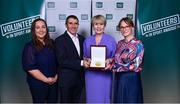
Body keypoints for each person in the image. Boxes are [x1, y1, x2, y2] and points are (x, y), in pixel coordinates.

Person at [22, 18, 58, 103]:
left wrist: (56, 76)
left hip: (53, 82)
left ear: (46, 29)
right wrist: (46, 79)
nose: (41, 30)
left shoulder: (52, 43)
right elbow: (30, 68)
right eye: (37, 28)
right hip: (38, 84)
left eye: (43, 27)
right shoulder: (29, 47)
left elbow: (58, 62)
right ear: (33, 30)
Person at [83, 15, 117, 103]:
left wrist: (109, 61)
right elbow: (84, 56)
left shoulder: (111, 40)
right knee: (91, 98)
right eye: (96, 24)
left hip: (105, 75)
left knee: (104, 97)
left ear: (104, 26)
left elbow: (115, 58)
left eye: (101, 24)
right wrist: (87, 60)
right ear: (92, 26)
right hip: (91, 75)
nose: (98, 27)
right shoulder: (87, 40)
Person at [55, 15, 88, 103]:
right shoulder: (59, 40)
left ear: (78, 25)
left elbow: (84, 55)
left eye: (76, 23)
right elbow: (62, 61)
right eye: (70, 23)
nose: (73, 26)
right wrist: (81, 63)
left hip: (79, 80)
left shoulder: (82, 39)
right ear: (66, 25)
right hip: (66, 81)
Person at [113, 17, 144, 103]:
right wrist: (108, 62)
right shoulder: (119, 43)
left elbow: (136, 65)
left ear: (132, 27)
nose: (124, 29)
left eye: (127, 26)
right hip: (119, 78)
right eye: (122, 27)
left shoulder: (138, 43)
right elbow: (115, 60)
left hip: (131, 78)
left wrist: (115, 67)